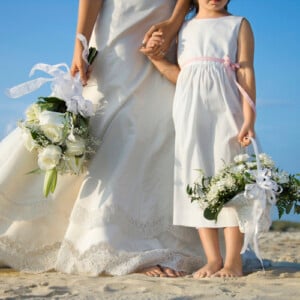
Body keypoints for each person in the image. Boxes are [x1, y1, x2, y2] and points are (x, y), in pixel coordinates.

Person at [0, 0, 205, 277]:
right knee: (103, 116)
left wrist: (173, 21)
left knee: (156, 124)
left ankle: (139, 243)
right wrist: (80, 44)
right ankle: (95, 239)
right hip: (117, 25)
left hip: (162, 21)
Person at [142, 0, 257, 277]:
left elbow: (246, 71)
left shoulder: (238, 24)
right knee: (196, 181)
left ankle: (233, 262)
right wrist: (155, 59)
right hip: (190, 113)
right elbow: (181, 76)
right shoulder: (184, 28)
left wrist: (249, 119)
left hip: (227, 111)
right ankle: (213, 259)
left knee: (230, 179)